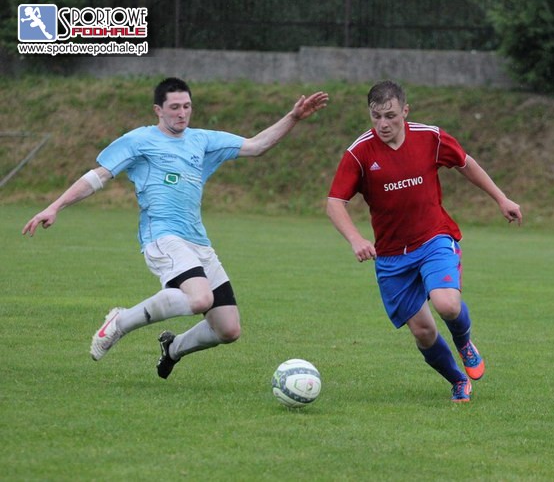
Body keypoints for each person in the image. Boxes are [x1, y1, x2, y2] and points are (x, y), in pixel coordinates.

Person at [23, 77, 328, 379]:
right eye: (174, 107)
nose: (182, 113)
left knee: (228, 329)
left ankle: (173, 348)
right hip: (162, 236)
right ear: (158, 110)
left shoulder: (202, 140)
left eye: (187, 106)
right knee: (200, 299)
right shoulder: (140, 140)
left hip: (198, 241)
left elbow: (257, 145)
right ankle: (120, 322)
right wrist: (55, 206)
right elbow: (98, 176)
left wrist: (293, 117)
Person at [326, 80, 521, 402]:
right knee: (423, 331)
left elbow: (465, 163)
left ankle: (464, 342)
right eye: (376, 116)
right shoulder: (359, 152)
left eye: (390, 116)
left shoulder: (430, 137)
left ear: (405, 111)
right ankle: (457, 380)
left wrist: (501, 199)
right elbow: (334, 202)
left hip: (433, 238)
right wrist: (355, 238)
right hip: (391, 255)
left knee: (447, 304)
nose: (383, 124)